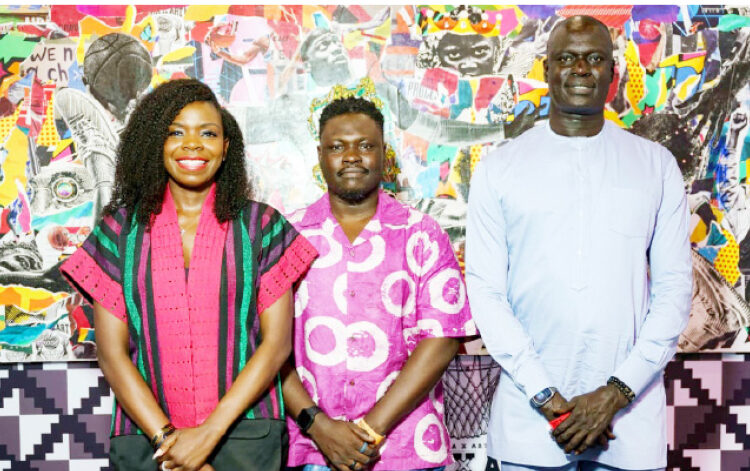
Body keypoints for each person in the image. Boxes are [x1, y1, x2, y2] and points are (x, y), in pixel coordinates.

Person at [465, 15, 692, 471]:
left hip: (629, 423)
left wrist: (615, 392)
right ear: (547, 69)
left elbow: (674, 292)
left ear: (613, 72)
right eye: (567, 59)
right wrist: (546, 396)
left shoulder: (655, 166)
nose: (581, 69)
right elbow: (486, 292)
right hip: (529, 423)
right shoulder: (500, 168)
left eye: (594, 59)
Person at [60, 79, 317, 471]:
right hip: (146, 440)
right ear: (154, 143)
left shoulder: (262, 226)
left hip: (245, 437)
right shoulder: (117, 232)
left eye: (208, 133)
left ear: (226, 146)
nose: (192, 144)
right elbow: (112, 356)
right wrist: (170, 443)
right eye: (175, 132)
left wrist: (208, 435)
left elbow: (276, 345)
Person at [282, 96, 475, 471]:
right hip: (312, 449)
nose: (351, 156)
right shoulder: (288, 236)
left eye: (365, 145)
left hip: (406, 449)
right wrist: (319, 427)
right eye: (337, 147)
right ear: (319, 155)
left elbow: (443, 339)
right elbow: (267, 346)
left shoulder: (422, 233)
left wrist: (370, 429)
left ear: (384, 154)